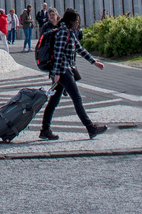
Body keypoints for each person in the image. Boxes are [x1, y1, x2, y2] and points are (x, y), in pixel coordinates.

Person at [38, 8, 108, 141]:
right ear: (71, 21)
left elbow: (79, 49)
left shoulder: (69, 32)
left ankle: (45, 130)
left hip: (63, 70)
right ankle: (90, 128)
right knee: (77, 99)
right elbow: (58, 53)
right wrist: (57, 73)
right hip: (63, 71)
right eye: (77, 20)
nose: (78, 23)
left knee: (53, 101)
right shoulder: (63, 32)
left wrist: (94, 62)